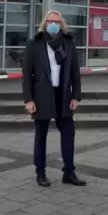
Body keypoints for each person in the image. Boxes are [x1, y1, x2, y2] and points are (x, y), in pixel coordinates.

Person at [22, 10, 86, 188]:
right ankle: (40, 172)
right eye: (50, 21)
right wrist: (28, 99)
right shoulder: (35, 44)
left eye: (57, 21)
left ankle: (69, 172)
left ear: (61, 24)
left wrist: (76, 96)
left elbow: (75, 72)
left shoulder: (68, 43)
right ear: (44, 23)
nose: (53, 24)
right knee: (41, 135)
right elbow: (26, 74)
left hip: (63, 95)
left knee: (68, 134)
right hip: (42, 95)